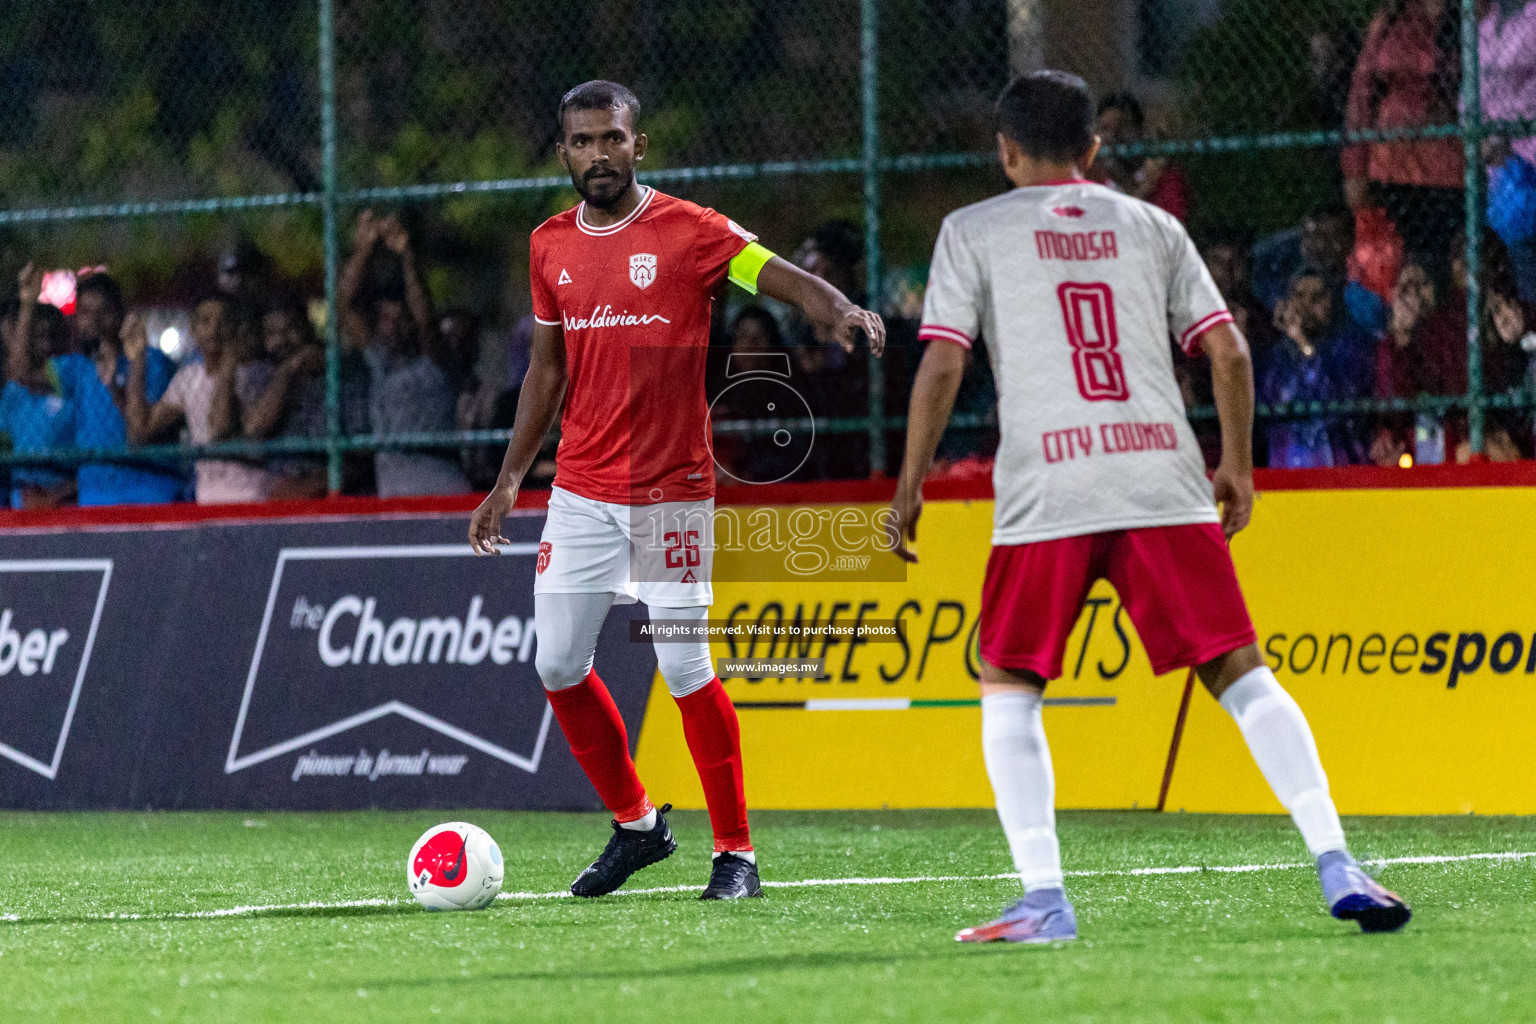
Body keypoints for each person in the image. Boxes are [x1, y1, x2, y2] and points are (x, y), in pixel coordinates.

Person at [888, 71, 1409, 944]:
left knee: (1009, 685)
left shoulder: (970, 229)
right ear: (1095, 149)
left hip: (1048, 488)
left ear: (1005, 150)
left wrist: (911, 482)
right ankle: (1336, 861)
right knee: (1241, 673)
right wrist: (1236, 466)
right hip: (1160, 476)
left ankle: (1045, 900)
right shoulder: (1154, 225)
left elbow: (942, 363)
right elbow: (1231, 352)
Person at [468, 80, 885, 900]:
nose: (598, 154)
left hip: (672, 493)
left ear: (638, 144)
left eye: (612, 139)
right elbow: (546, 372)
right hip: (582, 490)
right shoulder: (549, 244)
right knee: (557, 662)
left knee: (685, 666)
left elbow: (781, 276)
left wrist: (838, 311)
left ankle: (738, 854)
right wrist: (510, 478)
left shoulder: (690, 231)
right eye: (582, 141)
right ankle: (638, 826)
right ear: (563, 152)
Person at [339, 210, 471, 498]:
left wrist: (407, 255)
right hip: (394, 498)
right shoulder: (379, 363)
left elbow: (426, 319)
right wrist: (363, 249)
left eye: (401, 320)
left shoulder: (435, 363)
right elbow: (343, 306)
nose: (392, 328)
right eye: (385, 320)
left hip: (441, 492)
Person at [1344, 0, 1464, 263]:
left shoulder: (1470, 12)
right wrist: (1355, 167)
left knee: (1450, 261)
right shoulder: (1393, 15)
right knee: (1396, 262)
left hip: (1450, 164)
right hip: (1390, 163)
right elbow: (1361, 92)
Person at [124, 295, 271, 504]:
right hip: (207, 497)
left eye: (223, 322)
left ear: (236, 329)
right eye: (205, 322)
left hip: (253, 495)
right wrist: (138, 359)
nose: (213, 330)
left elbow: (222, 430)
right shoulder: (188, 378)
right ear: (193, 330)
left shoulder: (255, 374)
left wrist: (229, 360)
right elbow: (141, 429)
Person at [55, 272, 183, 505]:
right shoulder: (77, 368)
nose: (94, 320)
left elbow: (141, 431)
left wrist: (119, 380)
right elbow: (21, 369)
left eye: (104, 311)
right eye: (85, 312)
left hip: (151, 488)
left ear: (121, 313)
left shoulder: (152, 362)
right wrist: (26, 304)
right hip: (95, 494)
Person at [244, 294, 371, 499]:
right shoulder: (261, 373)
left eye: (291, 329)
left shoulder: (343, 370)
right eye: (272, 333)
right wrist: (288, 371)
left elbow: (361, 450)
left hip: (337, 482)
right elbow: (255, 428)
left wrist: (315, 485)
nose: (282, 340)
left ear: (308, 328)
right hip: (281, 485)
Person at [1260, 271, 1377, 468]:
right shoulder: (1278, 356)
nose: (1307, 305)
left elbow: (1336, 402)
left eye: (1316, 297)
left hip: (1340, 470)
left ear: (1330, 302)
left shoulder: (1350, 346)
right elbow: (1271, 404)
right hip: (1287, 472)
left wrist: (1304, 344)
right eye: (1299, 296)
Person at [1251, 202, 1388, 337]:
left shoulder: (1363, 287)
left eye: (1331, 237)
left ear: (1350, 240)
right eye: (1314, 236)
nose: (1320, 245)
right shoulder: (1284, 276)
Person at [0, 264, 75, 509]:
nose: (45, 345)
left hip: (66, 499)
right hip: (22, 500)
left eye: (51, 336)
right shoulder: (14, 393)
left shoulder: (72, 377)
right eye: (37, 337)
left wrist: (55, 496)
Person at [1481, 0, 1536, 304]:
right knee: (1526, 289)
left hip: (1529, 157)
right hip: (1506, 185)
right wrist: (1480, 139)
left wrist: (1502, 129)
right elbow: (1471, 97)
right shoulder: (1486, 26)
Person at [1090, 92, 1189, 222]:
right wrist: (1144, 189)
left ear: (1139, 131)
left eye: (1121, 129)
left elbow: (1170, 228)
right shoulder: (1094, 180)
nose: (1112, 137)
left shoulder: (1165, 178)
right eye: (1105, 129)